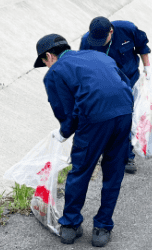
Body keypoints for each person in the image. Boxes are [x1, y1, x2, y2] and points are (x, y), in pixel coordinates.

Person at [34, 34, 133, 247]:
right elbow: (124, 83)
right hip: (125, 112)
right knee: (114, 171)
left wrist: (63, 133)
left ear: (49, 56)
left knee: (81, 170)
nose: (46, 66)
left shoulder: (55, 72)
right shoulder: (99, 57)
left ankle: (70, 225)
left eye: (44, 62)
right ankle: (103, 227)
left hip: (95, 119)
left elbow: (65, 111)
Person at [80, 16, 151, 174]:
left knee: (126, 118)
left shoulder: (127, 29)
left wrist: (148, 69)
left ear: (111, 32)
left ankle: (127, 157)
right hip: (105, 85)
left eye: (102, 40)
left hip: (129, 81)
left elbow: (142, 46)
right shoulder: (87, 40)